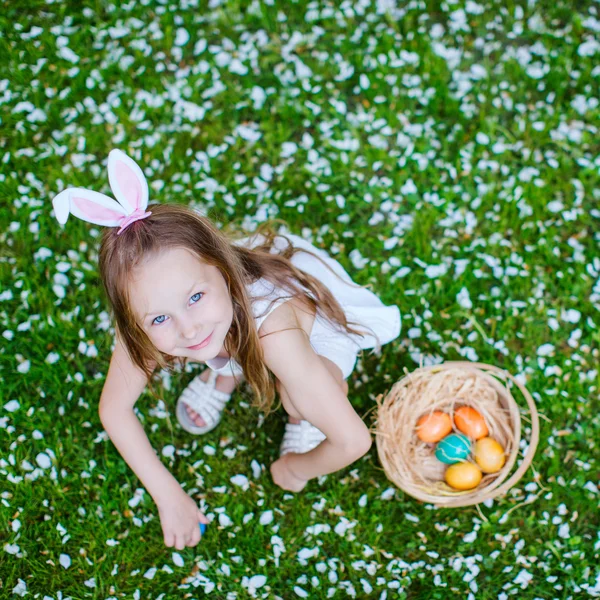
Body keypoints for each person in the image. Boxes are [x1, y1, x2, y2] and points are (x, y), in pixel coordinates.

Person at [51, 149, 401, 550]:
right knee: (214, 337)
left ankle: (268, 389)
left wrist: (296, 469)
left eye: (195, 297)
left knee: (301, 400)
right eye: (159, 319)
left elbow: (353, 440)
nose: (188, 328)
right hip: (232, 316)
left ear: (222, 270)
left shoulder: (275, 333)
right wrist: (169, 496)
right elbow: (113, 409)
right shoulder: (151, 296)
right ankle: (227, 367)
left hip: (310, 319)